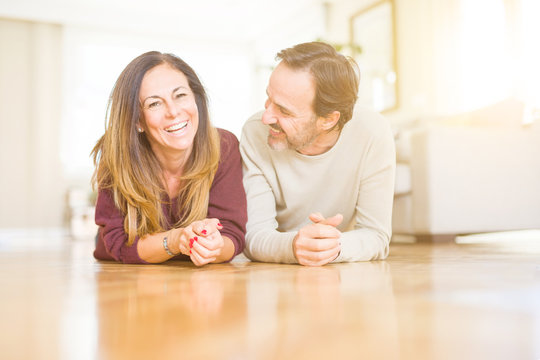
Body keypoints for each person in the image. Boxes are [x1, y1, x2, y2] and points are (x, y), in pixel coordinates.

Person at [240, 42, 395, 266]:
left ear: (328, 120)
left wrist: (333, 246)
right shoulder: (254, 132)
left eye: (283, 110)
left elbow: (376, 235)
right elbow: (253, 236)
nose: (266, 117)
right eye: (268, 99)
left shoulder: (372, 132)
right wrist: (294, 246)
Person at [91, 51, 247, 265]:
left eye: (180, 95)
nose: (173, 112)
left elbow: (232, 234)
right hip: (125, 269)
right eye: (155, 103)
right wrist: (175, 240)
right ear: (137, 120)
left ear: (196, 100)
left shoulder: (224, 146)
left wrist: (213, 246)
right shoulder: (116, 153)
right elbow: (119, 243)